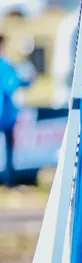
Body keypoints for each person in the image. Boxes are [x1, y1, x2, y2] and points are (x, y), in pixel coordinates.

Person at [0, 34, 31, 187]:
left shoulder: (6, 64)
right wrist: (26, 81)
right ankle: (9, 180)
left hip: (6, 113)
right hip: (5, 114)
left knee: (9, 148)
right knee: (8, 149)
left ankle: (9, 179)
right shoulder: (5, 64)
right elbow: (12, 83)